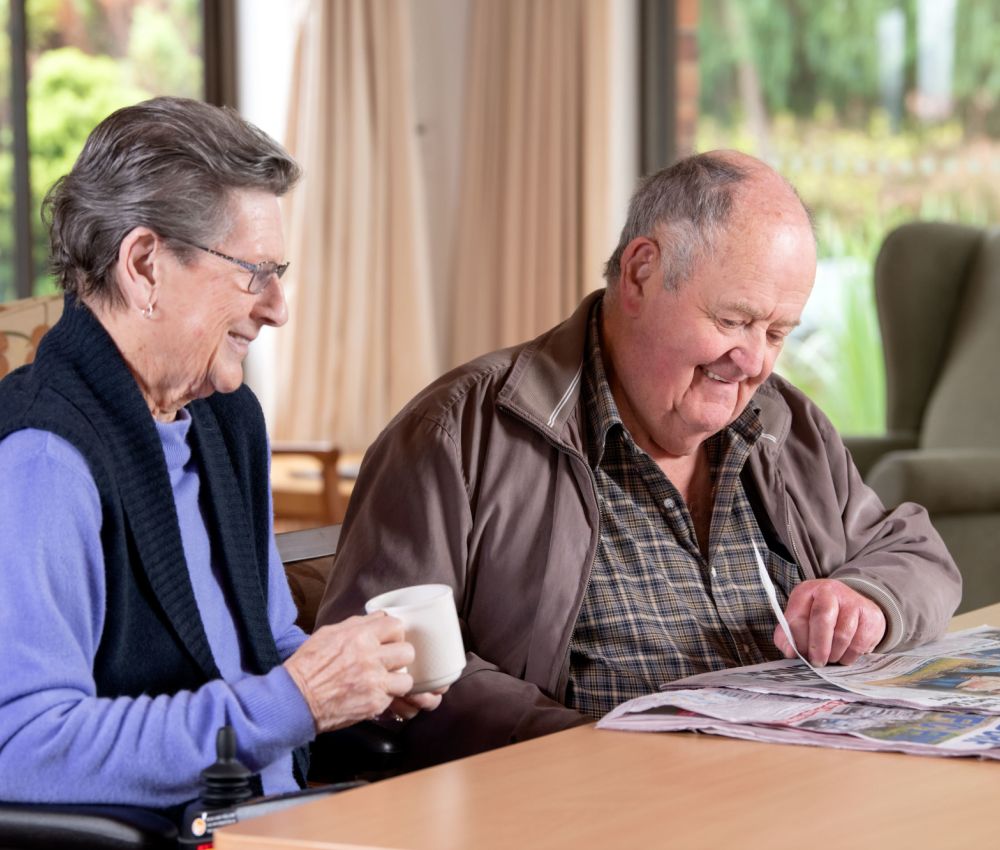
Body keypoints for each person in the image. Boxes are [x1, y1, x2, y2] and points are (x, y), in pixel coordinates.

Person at [316, 150, 961, 768]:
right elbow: (378, 670)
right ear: (641, 274)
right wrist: (585, 749)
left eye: (776, 333)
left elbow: (919, 557)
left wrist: (866, 600)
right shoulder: (458, 432)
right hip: (585, 813)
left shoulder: (785, 425)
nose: (755, 362)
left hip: (790, 796)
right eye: (735, 320)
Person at [0, 97, 440, 811]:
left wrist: (357, 684)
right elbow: (22, 747)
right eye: (253, 271)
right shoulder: (43, 461)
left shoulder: (225, 418)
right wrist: (296, 702)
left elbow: (262, 646)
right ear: (145, 265)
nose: (277, 306)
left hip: (275, 819)